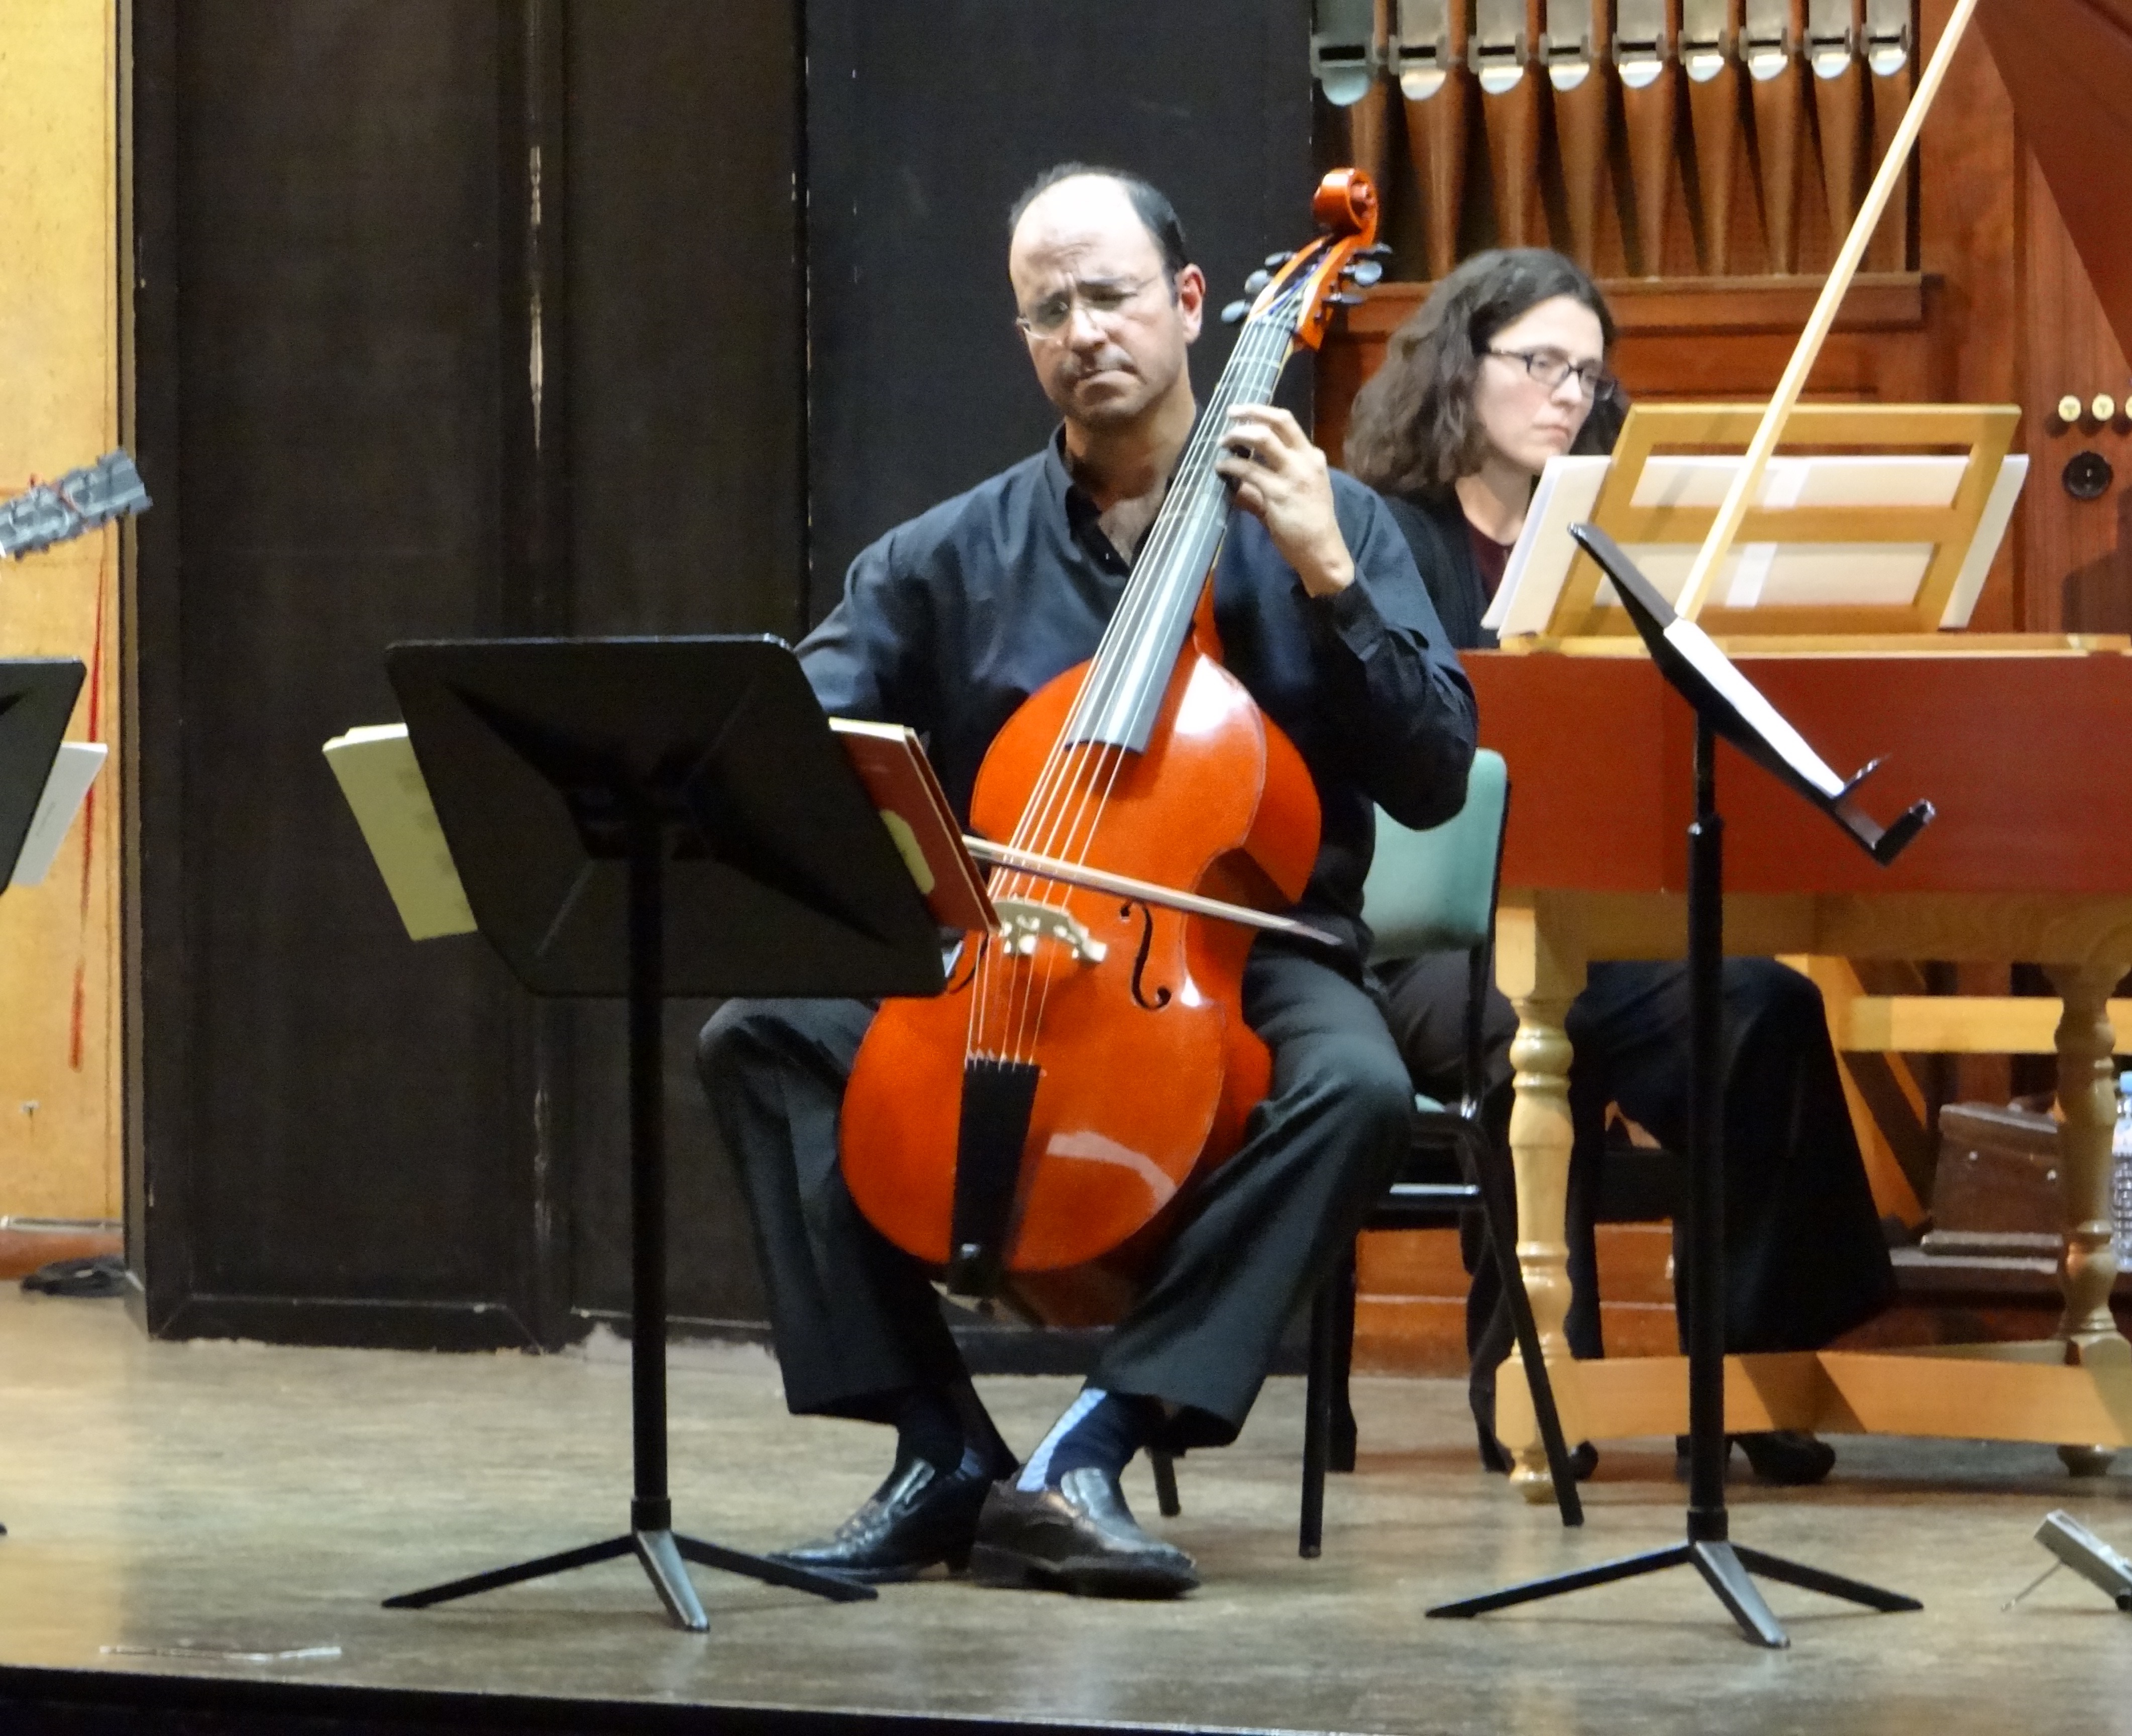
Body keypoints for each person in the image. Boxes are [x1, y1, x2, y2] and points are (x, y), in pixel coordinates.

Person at [696, 164, 1474, 1598]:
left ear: (1187, 304)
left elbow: (1433, 774)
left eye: (1108, 295)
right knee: (760, 1034)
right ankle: (940, 1451)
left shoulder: (1338, 521)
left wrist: (1328, 582)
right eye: (1046, 308)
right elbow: (811, 742)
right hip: (1007, 935)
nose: (1081, 331)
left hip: (1257, 940)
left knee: (1358, 1089)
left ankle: (1097, 1441)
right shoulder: (948, 555)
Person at [1342, 248, 1896, 1486]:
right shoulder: (1384, 532)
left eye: (1588, 374)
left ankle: (1748, 1375)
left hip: (1579, 916)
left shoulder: (1610, 547)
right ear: (1457, 367)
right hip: (1428, 932)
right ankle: (1542, 1378)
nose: (1569, 396)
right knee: (1525, 1026)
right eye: (1540, 363)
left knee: (1765, 1005)